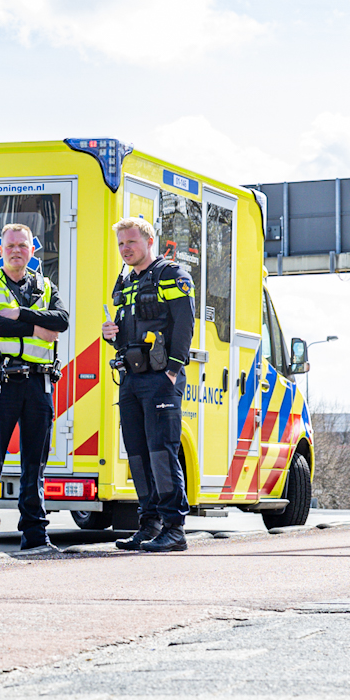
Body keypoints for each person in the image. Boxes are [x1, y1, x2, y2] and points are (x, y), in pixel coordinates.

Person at [0, 223, 69, 554]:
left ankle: (36, 536)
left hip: (39, 384)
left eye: (22, 246)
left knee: (34, 466)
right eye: (10, 245)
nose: (16, 251)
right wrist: (36, 328)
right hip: (2, 383)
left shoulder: (45, 284)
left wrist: (21, 315)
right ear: (0, 249)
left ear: (32, 250)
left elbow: (62, 321)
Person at [102, 217, 196, 552]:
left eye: (131, 242)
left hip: (160, 378)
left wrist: (173, 369)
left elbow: (185, 322)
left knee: (161, 453)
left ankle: (174, 528)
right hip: (130, 378)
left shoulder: (171, 274)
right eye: (121, 244)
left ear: (149, 241)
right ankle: (149, 524)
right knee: (138, 456)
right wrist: (112, 336)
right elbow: (129, 332)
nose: (125, 249)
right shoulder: (126, 280)